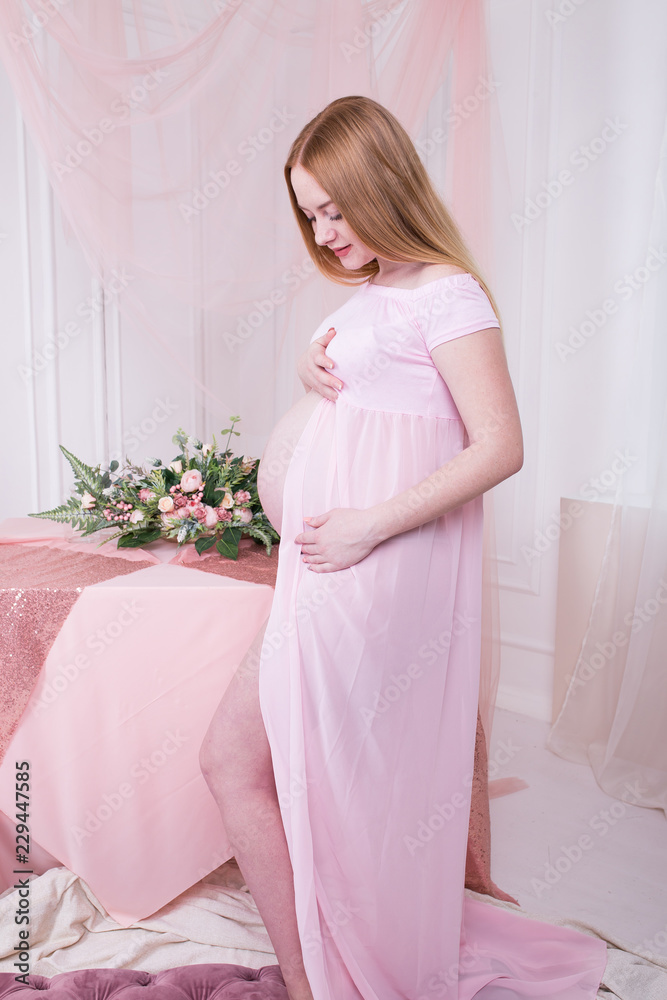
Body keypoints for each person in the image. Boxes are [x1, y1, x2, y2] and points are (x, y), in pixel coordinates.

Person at [200, 96, 607, 1000]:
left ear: (381, 183)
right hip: (325, 574)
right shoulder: (376, 291)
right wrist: (307, 366)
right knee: (292, 774)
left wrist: (364, 522)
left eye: (336, 207)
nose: (325, 229)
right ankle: (322, 967)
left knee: (260, 766)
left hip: (366, 574)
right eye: (310, 214)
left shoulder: (447, 293)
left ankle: (325, 980)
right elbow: (368, 400)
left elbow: (499, 444)